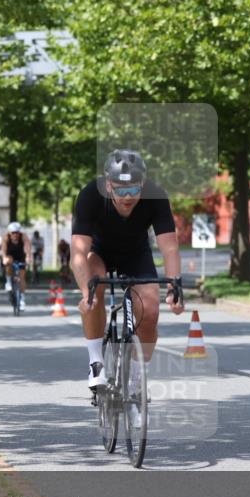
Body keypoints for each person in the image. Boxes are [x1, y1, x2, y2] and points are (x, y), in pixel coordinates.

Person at [71, 149, 184, 391]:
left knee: (151, 310)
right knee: (93, 289)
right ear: (109, 185)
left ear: (143, 184)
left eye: (134, 189)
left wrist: (175, 287)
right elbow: (78, 253)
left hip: (136, 254)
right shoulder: (90, 195)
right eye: (121, 190)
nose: (127, 197)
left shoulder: (156, 196)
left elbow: (170, 249)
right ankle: (96, 362)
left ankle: (136, 375)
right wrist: (85, 293)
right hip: (99, 251)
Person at [0, 221, 32, 310]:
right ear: (9, 233)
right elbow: (3, 249)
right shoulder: (6, 238)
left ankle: (22, 299)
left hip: (21, 255)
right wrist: (4, 258)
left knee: (22, 277)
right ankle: (9, 281)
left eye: (17, 233)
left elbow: (27, 247)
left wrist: (28, 257)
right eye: (13, 233)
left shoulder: (23, 236)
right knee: (9, 261)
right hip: (10, 255)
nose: (15, 235)